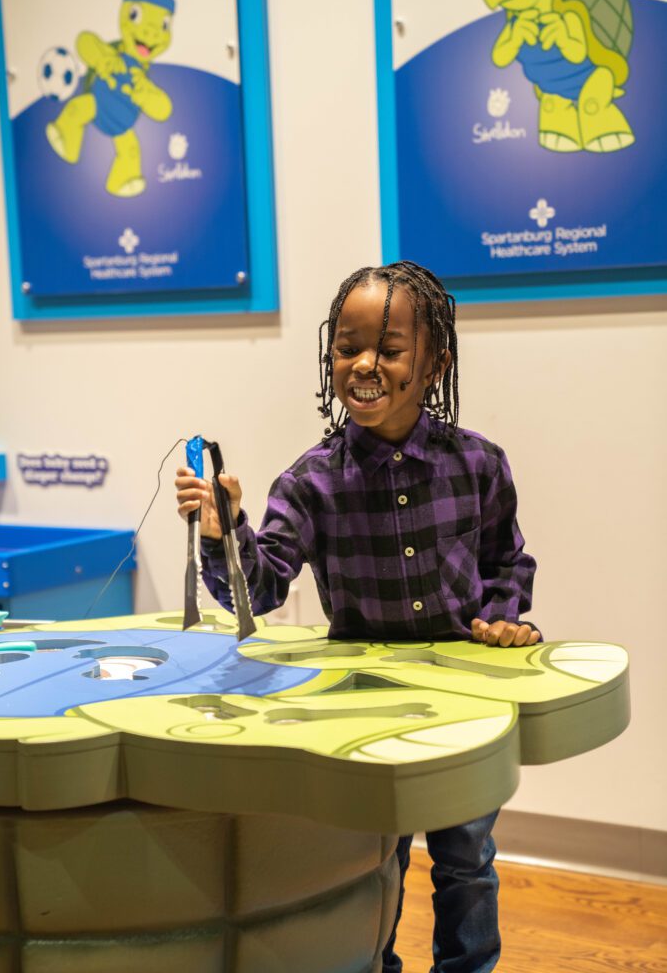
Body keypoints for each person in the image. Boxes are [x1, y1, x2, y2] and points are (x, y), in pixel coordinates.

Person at [175, 260, 540, 973]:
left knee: (466, 860)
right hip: (362, 719)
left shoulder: (478, 465)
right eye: (347, 348)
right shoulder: (308, 483)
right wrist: (226, 531)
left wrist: (503, 618)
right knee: (374, 863)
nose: (364, 364)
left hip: (462, 706)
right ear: (328, 359)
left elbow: (507, 561)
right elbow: (263, 586)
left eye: (389, 348)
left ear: (434, 362)